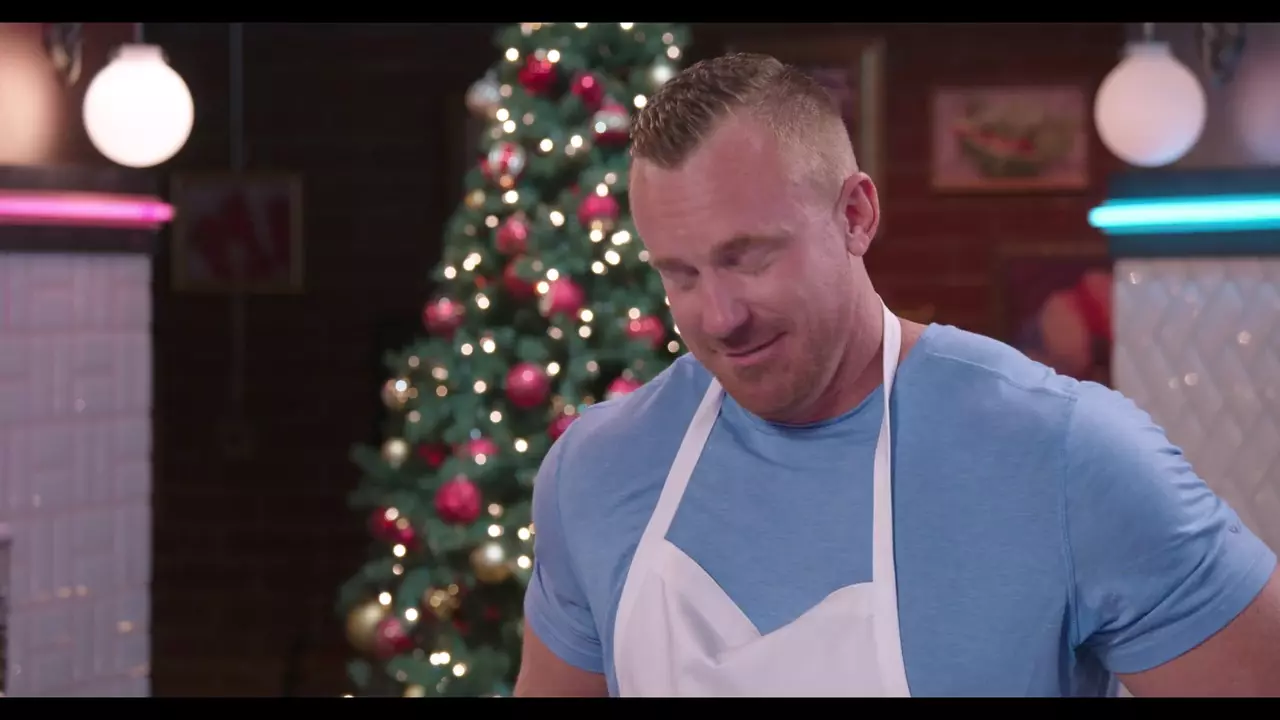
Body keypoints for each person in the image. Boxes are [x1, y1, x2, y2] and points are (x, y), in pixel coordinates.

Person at [514, 53, 1280, 697]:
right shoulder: (597, 470)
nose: (719, 316)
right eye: (680, 274)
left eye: (749, 258)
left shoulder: (1067, 456)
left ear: (855, 215)